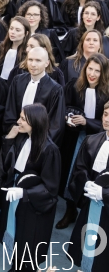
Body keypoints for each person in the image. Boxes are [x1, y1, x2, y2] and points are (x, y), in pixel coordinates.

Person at [0, 103, 61, 272]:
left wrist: (25, 193)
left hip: (32, 207)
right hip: (16, 200)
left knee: (27, 250)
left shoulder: (50, 150)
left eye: (23, 119)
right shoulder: (22, 139)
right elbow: (7, 165)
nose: (18, 121)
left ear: (35, 122)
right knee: (15, 240)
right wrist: (9, 139)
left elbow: (51, 189)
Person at [55, 53, 109, 232]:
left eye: (97, 71)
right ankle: (70, 211)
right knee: (72, 173)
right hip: (75, 138)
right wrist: (69, 117)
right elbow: (66, 105)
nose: (92, 74)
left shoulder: (107, 92)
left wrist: (87, 122)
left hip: (99, 141)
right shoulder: (74, 86)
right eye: (90, 69)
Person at [66, 99, 109, 271]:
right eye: (106, 115)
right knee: (84, 245)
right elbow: (80, 168)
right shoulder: (91, 140)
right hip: (89, 203)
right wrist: (86, 184)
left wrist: (104, 193)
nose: (107, 120)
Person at [4, 47, 66, 144]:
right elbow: (10, 110)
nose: (33, 64)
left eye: (38, 60)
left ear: (47, 63)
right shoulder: (17, 81)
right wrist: (12, 131)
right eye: (30, 60)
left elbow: (56, 124)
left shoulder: (55, 89)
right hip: (16, 136)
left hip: (39, 142)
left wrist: (41, 143)